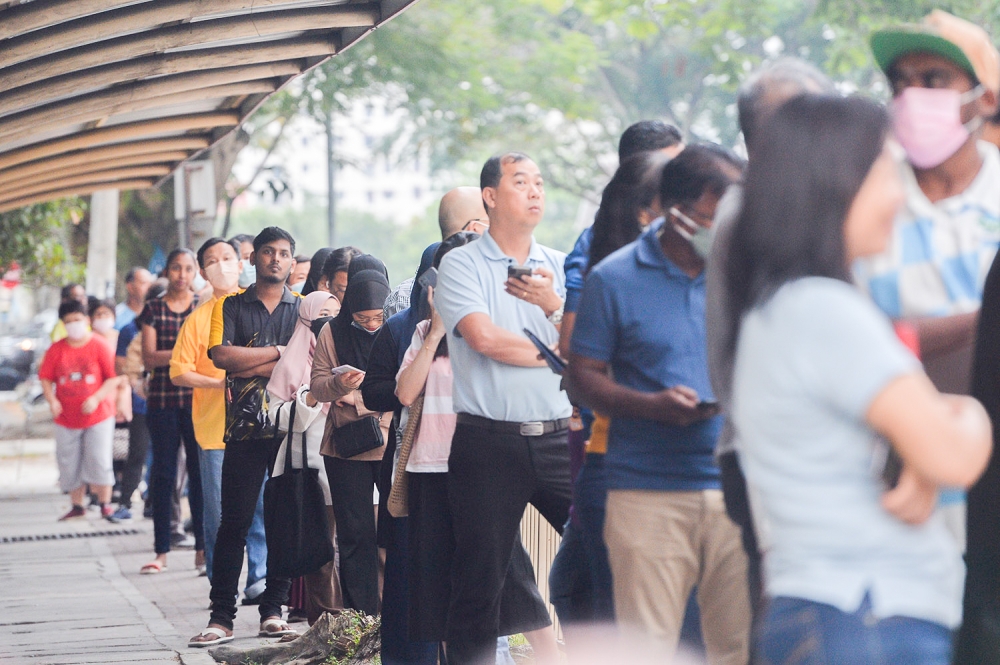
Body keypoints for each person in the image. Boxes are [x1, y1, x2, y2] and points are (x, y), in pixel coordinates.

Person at [728, 92, 992, 664]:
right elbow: (951, 455)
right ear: (834, 182)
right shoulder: (827, 312)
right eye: (884, 171)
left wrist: (922, 454)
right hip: (865, 617)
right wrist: (969, 414)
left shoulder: (783, 308)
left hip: (838, 612)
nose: (899, 194)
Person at [568, 144, 748, 662]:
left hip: (735, 489)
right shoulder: (613, 279)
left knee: (735, 648)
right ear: (678, 213)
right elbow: (583, 379)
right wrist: (652, 406)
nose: (728, 227)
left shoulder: (741, 274)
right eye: (718, 216)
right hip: (646, 493)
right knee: (649, 649)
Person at [705, 56, 836, 627]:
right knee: (797, 622)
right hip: (773, 456)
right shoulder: (757, 214)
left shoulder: (792, 206)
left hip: (781, 453)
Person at [434, 152, 570, 665]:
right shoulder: (461, 264)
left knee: (602, 555)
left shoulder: (559, 265)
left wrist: (553, 306)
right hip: (487, 444)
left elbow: (594, 342)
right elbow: (485, 339)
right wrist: (561, 351)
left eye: (539, 182)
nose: (535, 191)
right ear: (490, 196)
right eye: (520, 182)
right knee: (478, 588)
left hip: (561, 438)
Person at [553, 150, 670, 630]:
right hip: (615, 459)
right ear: (645, 211)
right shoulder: (611, 274)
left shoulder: (695, 272)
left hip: (653, 466)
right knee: (591, 595)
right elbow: (578, 369)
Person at [188, 227, 301, 646]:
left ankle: (274, 611)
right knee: (233, 524)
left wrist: (249, 363)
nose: (275, 259)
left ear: (292, 260)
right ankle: (222, 618)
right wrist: (277, 354)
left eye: (284, 253)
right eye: (268, 252)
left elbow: (303, 367)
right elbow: (222, 358)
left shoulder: (303, 309)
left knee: (283, 522)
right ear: (253, 259)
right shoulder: (232, 306)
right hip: (243, 429)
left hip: (291, 432)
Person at [170, 237, 268, 586]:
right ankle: (221, 584)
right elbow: (178, 370)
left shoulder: (260, 307)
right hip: (214, 431)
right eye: (212, 260)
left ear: (242, 263)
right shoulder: (197, 320)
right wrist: (220, 384)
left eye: (228, 258)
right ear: (203, 271)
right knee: (219, 514)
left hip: (259, 426)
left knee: (258, 507)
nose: (222, 265)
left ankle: (260, 578)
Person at [311, 262, 392, 617]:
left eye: (377, 317)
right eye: (362, 318)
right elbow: (317, 386)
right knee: (354, 535)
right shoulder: (332, 331)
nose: (372, 325)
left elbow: (405, 387)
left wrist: (358, 400)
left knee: (395, 533)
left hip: (391, 443)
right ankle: (362, 617)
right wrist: (338, 385)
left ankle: (398, 613)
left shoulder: (397, 328)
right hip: (346, 447)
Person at [266, 291, 344, 624]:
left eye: (336, 313)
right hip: (310, 471)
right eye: (322, 314)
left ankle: (360, 618)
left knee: (359, 547)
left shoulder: (350, 352)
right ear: (307, 318)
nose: (329, 321)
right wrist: (310, 398)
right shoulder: (293, 363)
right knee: (320, 552)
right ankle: (328, 622)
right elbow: (276, 418)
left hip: (354, 464)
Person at [137, 248, 204, 575]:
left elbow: (208, 353)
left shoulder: (202, 307)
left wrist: (174, 355)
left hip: (198, 400)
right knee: (163, 476)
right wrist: (184, 355)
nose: (181, 274)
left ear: (195, 272)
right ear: (167, 272)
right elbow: (149, 358)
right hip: (162, 401)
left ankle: (203, 550)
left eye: (188, 268)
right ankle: (161, 550)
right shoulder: (153, 309)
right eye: (176, 268)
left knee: (200, 474)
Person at [39, 299, 119, 521]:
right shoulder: (56, 349)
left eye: (78, 319)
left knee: (99, 458)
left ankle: (105, 503)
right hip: (66, 417)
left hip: (98, 415)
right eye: (69, 321)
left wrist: (96, 398)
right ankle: (77, 504)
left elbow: (113, 377)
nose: (74, 324)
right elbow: (45, 378)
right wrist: (52, 400)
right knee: (69, 461)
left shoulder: (99, 345)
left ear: (86, 320)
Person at [110, 282, 165, 522]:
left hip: (171, 401)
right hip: (143, 403)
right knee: (138, 453)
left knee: (164, 457)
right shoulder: (132, 329)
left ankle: (153, 503)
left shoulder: (182, 326)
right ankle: (125, 502)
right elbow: (124, 368)